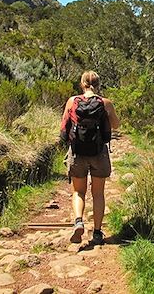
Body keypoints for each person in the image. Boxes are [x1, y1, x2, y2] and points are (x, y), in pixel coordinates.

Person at [59, 70, 120, 245]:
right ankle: (98, 232)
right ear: (98, 84)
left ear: (82, 84)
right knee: (98, 193)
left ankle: (78, 221)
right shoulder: (105, 103)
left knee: (78, 191)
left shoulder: (72, 101)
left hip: (77, 152)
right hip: (99, 152)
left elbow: (64, 126)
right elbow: (116, 125)